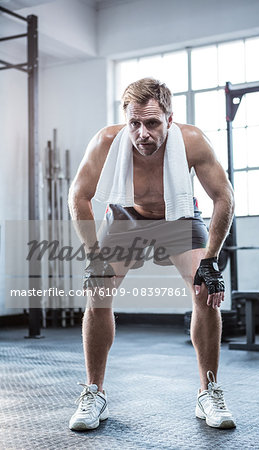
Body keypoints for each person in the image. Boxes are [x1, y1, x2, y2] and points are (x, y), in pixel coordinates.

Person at [68, 78, 236, 431]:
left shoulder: (192, 141)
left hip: (178, 215)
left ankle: (209, 392)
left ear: (170, 120)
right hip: (128, 215)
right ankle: (94, 392)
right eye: (134, 123)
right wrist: (94, 255)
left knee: (205, 291)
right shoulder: (106, 142)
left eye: (152, 123)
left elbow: (224, 198)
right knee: (98, 291)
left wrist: (210, 260)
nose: (142, 133)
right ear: (125, 120)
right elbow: (78, 196)